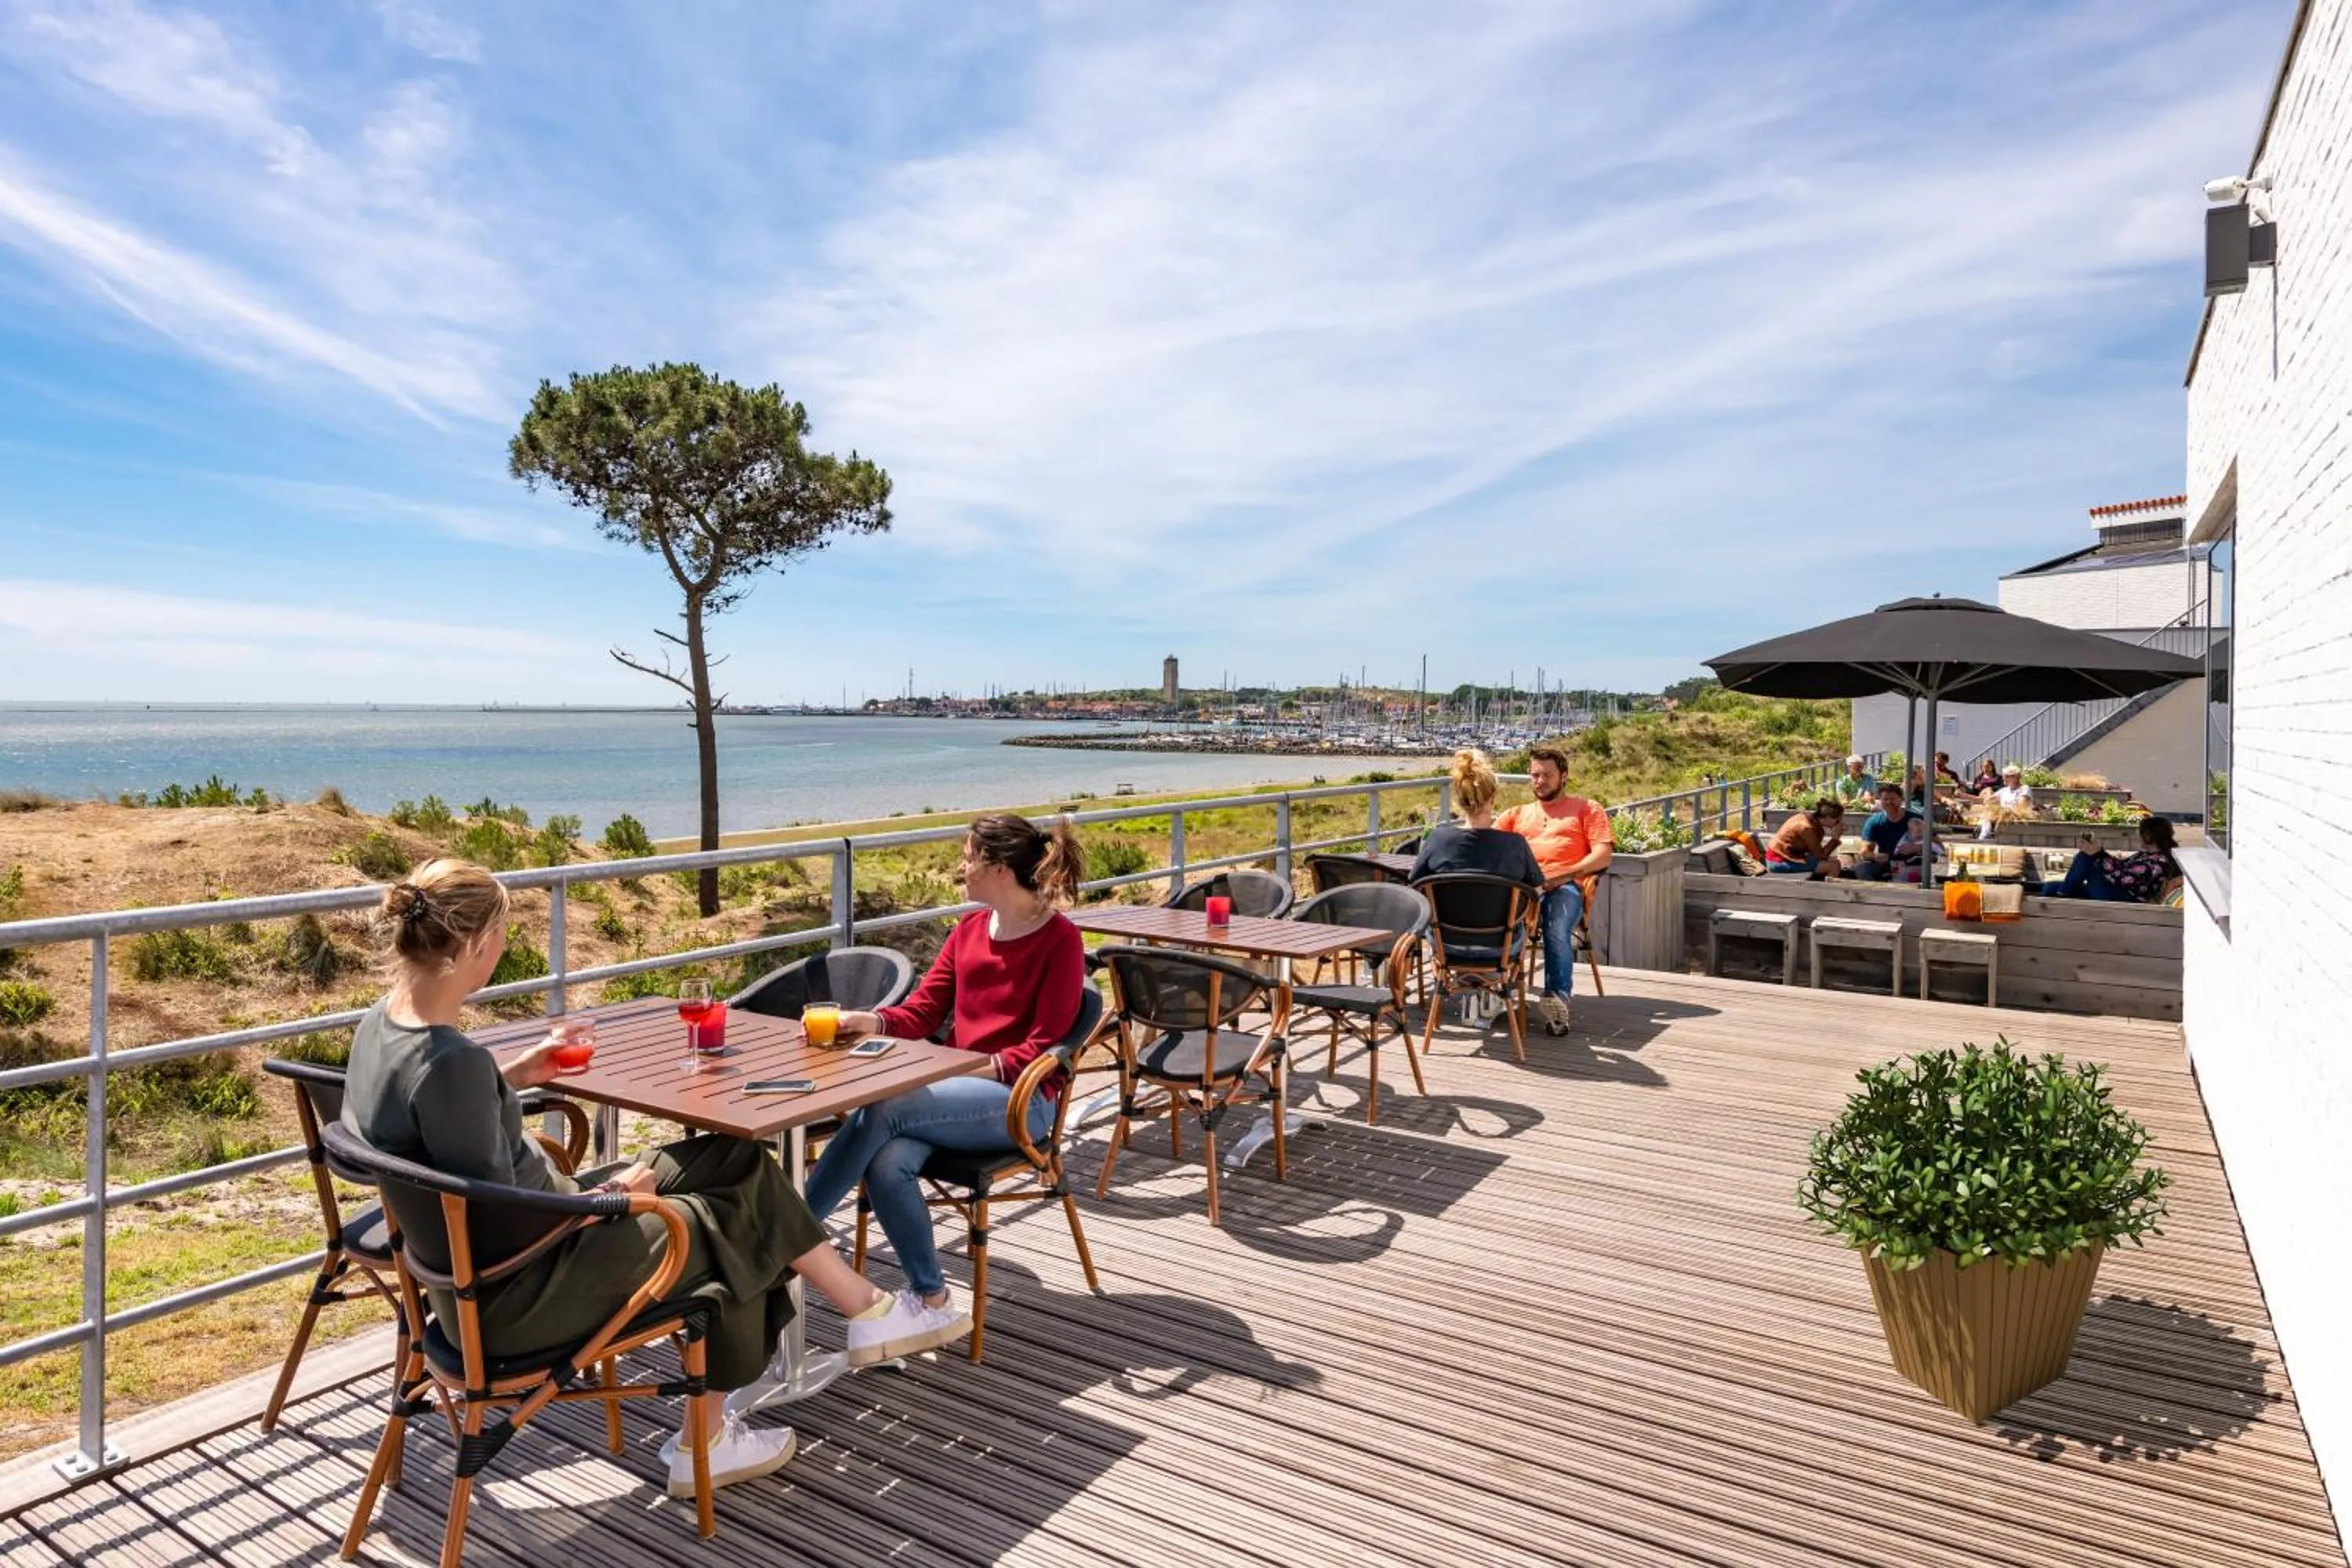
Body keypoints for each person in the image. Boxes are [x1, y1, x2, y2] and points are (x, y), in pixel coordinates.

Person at [342, 860, 955, 1501]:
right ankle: (708, 1440)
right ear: (473, 945)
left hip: (482, 1266)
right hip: (520, 1288)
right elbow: (506, 1215)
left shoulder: (383, 1029)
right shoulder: (450, 1066)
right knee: (731, 1228)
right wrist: (607, 1202)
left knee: (734, 1160)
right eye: (500, 933)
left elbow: (443, 1132)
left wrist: (515, 1074)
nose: (501, 947)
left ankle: (867, 1311)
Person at [811, 813, 1087, 1332]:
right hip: (955, 1095)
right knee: (887, 1161)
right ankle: (933, 1299)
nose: (961, 868)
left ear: (999, 869)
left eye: (968, 858)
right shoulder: (967, 930)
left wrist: (966, 1067)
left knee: (887, 1103)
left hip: (1022, 1102)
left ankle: (791, 1234)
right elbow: (922, 1012)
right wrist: (868, 1021)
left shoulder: (1060, 941)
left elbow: (1042, 1045)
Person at [1493, 745, 1613, 1036]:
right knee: (1494, 912)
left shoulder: (1587, 809)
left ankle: (1557, 999)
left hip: (1567, 886)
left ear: (1564, 776)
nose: (1539, 781)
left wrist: (1564, 875)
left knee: (1556, 925)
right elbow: (1487, 845)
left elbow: (1603, 855)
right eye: (1534, 775)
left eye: (1547, 775)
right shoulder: (1517, 814)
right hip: (1524, 886)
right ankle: (1494, 988)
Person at [1411, 749, 1544, 888]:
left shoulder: (1437, 840)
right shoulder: (1515, 845)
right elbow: (1536, 886)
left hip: (1447, 911)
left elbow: (1415, 883)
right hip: (1499, 911)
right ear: (1492, 798)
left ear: (1459, 800)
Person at [2039, 817, 2180, 902]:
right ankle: (2063, 892)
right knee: (2048, 888)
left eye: (2141, 831)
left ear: (2149, 836)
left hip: (2120, 896)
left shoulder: (2159, 863)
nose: (2138, 834)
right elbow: (2120, 866)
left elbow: (2122, 879)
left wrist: (2097, 854)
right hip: (2111, 888)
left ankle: (2063, 894)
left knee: (2085, 857)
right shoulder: (2147, 854)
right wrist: (2100, 853)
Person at [1849, 782, 1922, 883]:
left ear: (1901, 800)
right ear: (1880, 801)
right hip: (1886, 864)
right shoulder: (1875, 821)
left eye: (1893, 799)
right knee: (1862, 868)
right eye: (1885, 799)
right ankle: (1872, 895)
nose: (1889, 802)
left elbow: (1938, 848)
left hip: (1911, 864)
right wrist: (1875, 856)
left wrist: (1917, 848)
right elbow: (1865, 852)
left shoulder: (1916, 819)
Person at [1765, 798, 1846, 878]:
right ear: (1828, 818)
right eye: (1837, 820)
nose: (1839, 823)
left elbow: (1816, 853)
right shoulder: (1806, 828)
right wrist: (1835, 838)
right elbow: (1821, 856)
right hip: (1779, 862)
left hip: (1788, 858)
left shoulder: (1807, 819)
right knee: (1833, 867)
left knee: (1836, 862)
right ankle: (1828, 891)